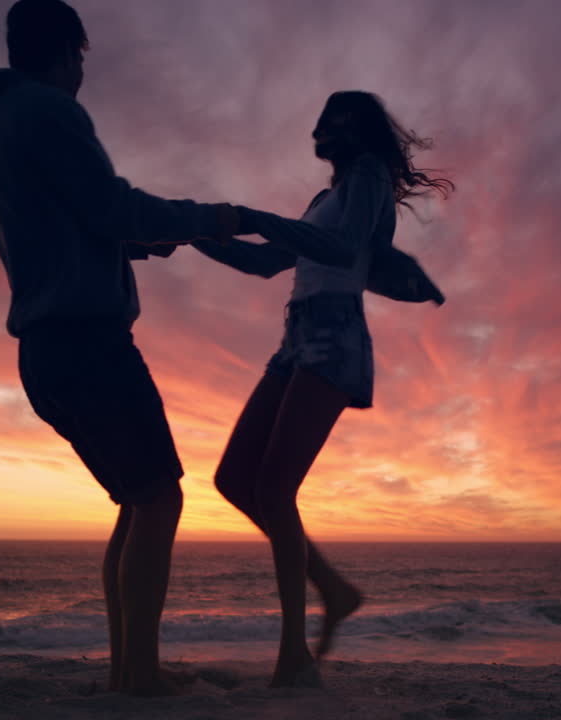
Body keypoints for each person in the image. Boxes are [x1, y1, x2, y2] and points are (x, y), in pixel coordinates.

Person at [0, 0, 283, 697]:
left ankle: (130, 667)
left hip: (46, 347)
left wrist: (132, 243)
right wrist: (212, 218)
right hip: (87, 341)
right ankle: (140, 676)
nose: (82, 73)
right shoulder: (47, 110)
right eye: (82, 59)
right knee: (160, 500)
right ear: (70, 51)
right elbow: (113, 204)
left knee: (137, 499)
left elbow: (71, 221)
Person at [192, 90, 452, 687]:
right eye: (324, 116)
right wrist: (192, 230)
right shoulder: (321, 198)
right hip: (295, 335)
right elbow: (263, 264)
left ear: (358, 130)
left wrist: (253, 216)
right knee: (234, 480)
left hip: (336, 335)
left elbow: (341, 248)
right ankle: (333, 589)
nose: (325, 126)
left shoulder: (368, 180)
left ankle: (294, 657)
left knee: (275, 489)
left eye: (339, 117)